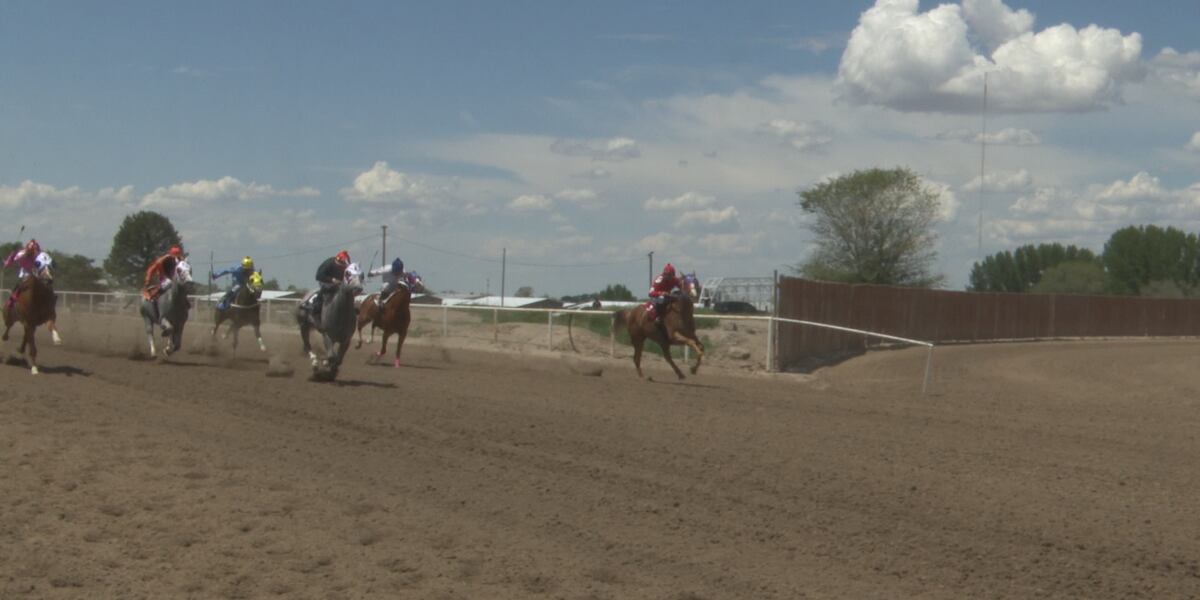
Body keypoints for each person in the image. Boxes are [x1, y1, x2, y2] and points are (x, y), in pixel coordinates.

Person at [310, 250, 350, 318]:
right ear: (337, 260)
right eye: (341, 264)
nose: (342, 267)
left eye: (344, 265)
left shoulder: (347, 265)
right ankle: (316, 307)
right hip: (326, 282)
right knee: (327, 289)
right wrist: (332, 280)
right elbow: (318, 276)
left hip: (340, 284)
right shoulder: (328, 264)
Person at [4, 239, 42, 309]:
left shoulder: (38, 255)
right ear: (28, 246)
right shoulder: (22, 253)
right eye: (31, 246)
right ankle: (11, 300)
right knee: (19, 285)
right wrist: (9, 260)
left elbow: (41, 263)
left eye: (34, 247)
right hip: (25, 273)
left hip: (35, 273)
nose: (33, 248)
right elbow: (13, 260)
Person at [648, 262, 681, 331]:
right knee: (662, 299)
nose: (669, 277)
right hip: (656, 297)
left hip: (667, 296)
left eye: (670, 275)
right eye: (667, 275)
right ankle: (658, 317)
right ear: (664, 274)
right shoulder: (659, 280)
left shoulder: (675, 280)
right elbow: (650, 293)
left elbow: (681, 287)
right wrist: (661, 293)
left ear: (673, 275)